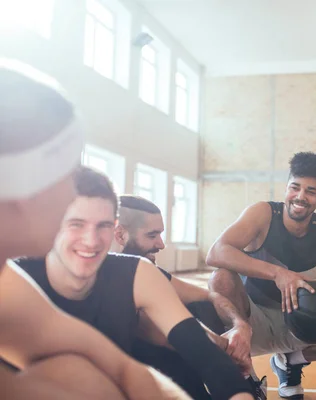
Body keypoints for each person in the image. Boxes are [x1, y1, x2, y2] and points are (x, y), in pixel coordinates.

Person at [0, 58, 189, 399]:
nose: (75, 192)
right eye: (68, 172)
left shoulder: (6, 281)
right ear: (23, 184)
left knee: (76, 372)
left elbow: (120, 367)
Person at [15, 166, 254, 400]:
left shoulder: (138, 274)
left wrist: (238, 387)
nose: (91, 240)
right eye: (76, 224)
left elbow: (202, 352)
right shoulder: (15, 277)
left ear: (114, 227)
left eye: (103, 225)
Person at [207, 152, 316, 399]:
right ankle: (246, 376)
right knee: (220, 279)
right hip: (253, 320)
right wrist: (278, 274)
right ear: (286, 188)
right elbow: (216, 252)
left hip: (299, 325)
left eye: (311, 191)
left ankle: (291, 362)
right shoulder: (262, 213)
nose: (300, 196)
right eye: (295, 187)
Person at [114, 194, 266, 398]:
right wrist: (228, 349)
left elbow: (211, 296)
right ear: (120, 234)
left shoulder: (146, 271)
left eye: (160, 235)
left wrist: (240, 325)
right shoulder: (108, 278)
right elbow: (170, 331)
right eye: (152, 235)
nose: (161, 244)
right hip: (117, 381)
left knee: (202, 308)